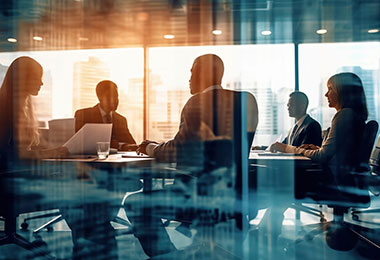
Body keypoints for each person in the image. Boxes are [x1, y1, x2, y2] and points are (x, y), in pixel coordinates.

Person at [127, 54, 258, 257]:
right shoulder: (247, 100)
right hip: (238, 195)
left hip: (201, 197)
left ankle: (167, 256)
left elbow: (177, 150)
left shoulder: (197, 102)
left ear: (203, 74)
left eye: (191, 71)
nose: (189, 78)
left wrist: (150, 147)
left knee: (134, 204)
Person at [270, 72, 368, 188]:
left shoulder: (344, 115)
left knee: (272, 176)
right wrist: (317, 148)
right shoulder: (351, 115)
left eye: (330, 89)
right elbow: (340, 153)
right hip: (338, 178)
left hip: (332, 181)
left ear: (343, 92)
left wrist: (287, 148)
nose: (326, 94)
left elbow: (322, 156)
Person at [0, 56, 67, 167]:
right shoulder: (4, 109)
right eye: (36, 78)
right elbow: (12, 154)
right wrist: (50, 153)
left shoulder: (24, 108)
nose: (41, 83)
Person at [74, 80, 136, 151]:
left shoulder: (121, 120)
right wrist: (119, 146)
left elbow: (131, 145)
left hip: (117, 160)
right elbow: (81, 143)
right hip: (93, 161)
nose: (116, 100)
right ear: (100, 97)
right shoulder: (84, 115)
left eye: (117, 96)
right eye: (111, 96)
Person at [254, 91, 322, 150]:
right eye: (288, 105)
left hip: (301, 164)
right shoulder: (294, 128)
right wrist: (262, 148)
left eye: (291, 105)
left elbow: (305, 152)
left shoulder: (312, 126)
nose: (288, 108)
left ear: (302, 106)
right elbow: (282, 146)